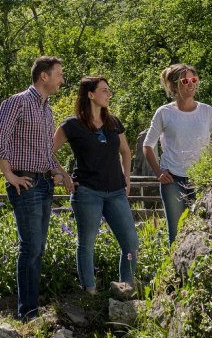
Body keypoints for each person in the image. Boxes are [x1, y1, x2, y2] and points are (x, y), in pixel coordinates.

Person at [0, 56, 71, 321]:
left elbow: (46, 151)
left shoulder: (47, 110)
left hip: (44, 184)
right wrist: (9, 175)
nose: (62, 79)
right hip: (26, 184)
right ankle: (27, 314)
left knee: (38, 248)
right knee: (31, 248)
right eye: (59, 74)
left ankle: (31, 311)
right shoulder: (18, 102)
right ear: (44, 76)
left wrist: (58, 172)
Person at [51, 76, 139, 293]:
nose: (109, 94)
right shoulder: (71, 125)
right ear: (90, 94)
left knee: (131, 243)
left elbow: (126, 152)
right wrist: (63, 174)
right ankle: (89, 290)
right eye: (103, 90)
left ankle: (126, 287)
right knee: (86, 243)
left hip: (116, 192)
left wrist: (126, 179)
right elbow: (47, 152)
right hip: (87, 193)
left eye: (109, 90)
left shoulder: (114, 123)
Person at [142, 64, 212, 244]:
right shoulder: (164, 113)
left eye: (193, 80)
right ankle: (175, 271)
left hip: (202, 179)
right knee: (176, 232)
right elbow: (148, 145)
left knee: (204, 230)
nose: (190, 84)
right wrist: (158, 172)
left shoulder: (207, 111)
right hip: (173, 180)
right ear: (174, 86)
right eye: (185, 81)